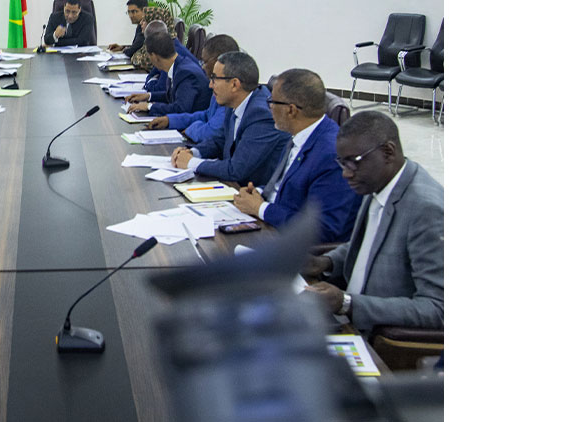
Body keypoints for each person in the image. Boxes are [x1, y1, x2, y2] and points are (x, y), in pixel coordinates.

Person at [299, 112, 443, 333]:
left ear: (388, 152)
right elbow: (370, 244)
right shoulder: (378, 182)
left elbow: (437, 308)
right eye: (342, 163)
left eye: (353, 162)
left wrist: (347, 303)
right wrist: (325, 262)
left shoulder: (426, 210)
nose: (346, 174)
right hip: (347, 316)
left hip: (375, 336)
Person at [232, 69, 362, 243]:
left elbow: (323, 228)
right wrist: (259, 193)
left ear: (291, 110)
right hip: (272, 223)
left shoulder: (331, 154)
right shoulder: (300, 134)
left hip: (291, 245)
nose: (269, 107)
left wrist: (261, 208)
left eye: (272, 102)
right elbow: (284, 185)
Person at [170, 51, 289, 185]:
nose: (210, 85)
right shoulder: (234, 103)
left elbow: (236, 170)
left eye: (214, 79)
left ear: (234, 84)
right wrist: (192, 152)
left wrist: (191, 163)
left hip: (251, 191)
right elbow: (220, 141)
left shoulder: (262, 115)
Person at [146, 33, 240, 144]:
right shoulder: (218, 85)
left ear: (218, 61)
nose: (202, 67)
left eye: (205, 61)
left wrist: (190, 130)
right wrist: (170, 120)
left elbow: (213, 131)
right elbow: (206, 115)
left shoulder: (230, 92)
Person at [124, 31, 211, 117]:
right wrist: (148, 96)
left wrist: (149, 106)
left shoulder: (186, 73)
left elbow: (180, 109)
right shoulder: (178, 64)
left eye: (148, 56)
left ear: (154, 56)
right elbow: (172, 96)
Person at [130, 6, 175, 70]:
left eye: (144, 20)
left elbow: (144, 62)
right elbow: (138, 54)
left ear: (153, 23)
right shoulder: (154, 39)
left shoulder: (166, 44)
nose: (140, 23)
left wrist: (137, 58)